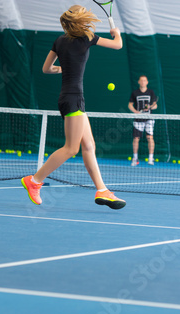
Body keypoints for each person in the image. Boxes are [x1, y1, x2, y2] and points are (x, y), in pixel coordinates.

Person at [21, 5, 126, 210]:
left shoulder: (59, 41)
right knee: (71, 148)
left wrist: (64, 68)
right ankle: (34, 181)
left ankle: (102, 190)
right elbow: (118, 45)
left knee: (89, 146)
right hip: (74, 99)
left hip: (68, 98)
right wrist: (117, 33)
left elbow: (46, 69)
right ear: (81, 20)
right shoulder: (87, 37)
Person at [128, 75, 158, 166]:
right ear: (138, 82)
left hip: (149, 119)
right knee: (136, 139)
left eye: (144, 80)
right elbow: (130, 105)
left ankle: (151, 158)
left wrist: (150, 107)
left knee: (150, 137)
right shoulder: (135, 93)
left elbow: (155, 105)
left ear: (147, 82)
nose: (143, 82)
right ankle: (135, 158)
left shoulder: (151, 92)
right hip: (138, 119)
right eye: (141, 80)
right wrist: (135, 112)